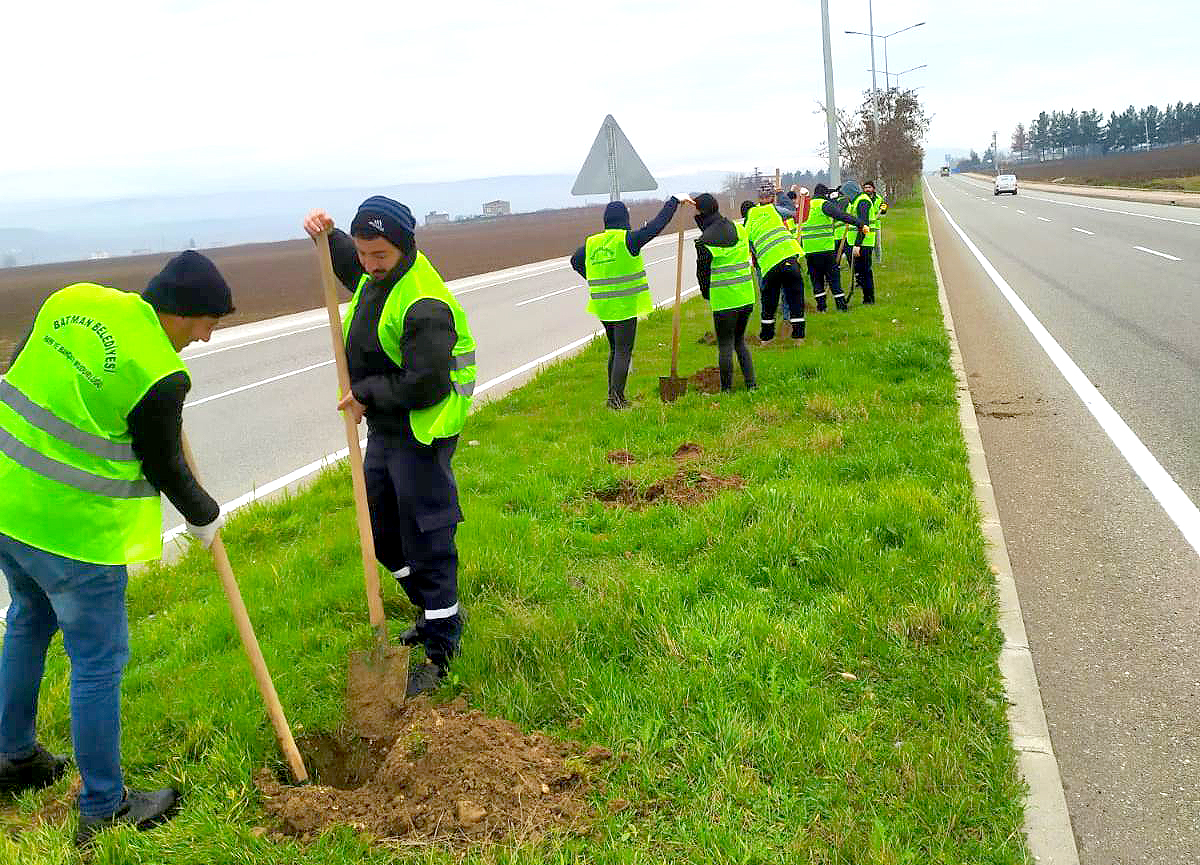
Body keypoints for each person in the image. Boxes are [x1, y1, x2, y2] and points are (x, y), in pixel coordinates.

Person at [0, 251, 233, 846]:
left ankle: (13, 757)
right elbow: (164, 464)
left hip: (7, 502)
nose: (206, 336)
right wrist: (204, 516)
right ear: (179, 314)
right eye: (208, 322)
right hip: (75, 536)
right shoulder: (159, 370)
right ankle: (105, 804)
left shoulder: (71, 299)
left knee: (27, 620)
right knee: (97, 663)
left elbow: (27, 372)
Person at [304, 197, 477, 698]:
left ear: (403, 247)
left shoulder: (424, 303)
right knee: (380, 530)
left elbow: (426, 384)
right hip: (387, 428)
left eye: (378, 255)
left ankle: (443, 646)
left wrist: (365, 393)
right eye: (362, 254)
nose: (368, 264)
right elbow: (351, 269)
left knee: (428, 537)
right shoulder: (375, 276)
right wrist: (328, 236)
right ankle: (430, 609)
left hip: (422, 429)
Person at [570, 196, 685, 409]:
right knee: (623, 350)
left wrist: (594, 280)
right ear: (625, 218)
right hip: (623, 305)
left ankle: (613, 395)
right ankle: (616, 400)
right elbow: (657, 225)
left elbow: (575, 260)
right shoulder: (628, 240)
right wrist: (674, 202)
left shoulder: (592, 243)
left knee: (615, 349)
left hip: (603, 306)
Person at [691, 194, 756, 391]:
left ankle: (726, 390)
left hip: (725, 301)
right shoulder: (739, 229)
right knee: (740, 342)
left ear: (701, 213)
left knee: (725, 345)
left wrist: (706, 293)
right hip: (746, 296)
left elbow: (702, 273)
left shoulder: (705, 241)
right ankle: (751, 385)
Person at [743, 181, 806, 342]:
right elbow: (795, 213)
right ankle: (798, 338)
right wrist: (782, 194)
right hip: (789, 259)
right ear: (772, 197)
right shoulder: (775, 210)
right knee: (795, 299)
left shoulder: (750, 216)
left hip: (769, 266)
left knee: (769, 303)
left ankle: (766, 339)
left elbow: (746, 242)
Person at [801, 183, 868, 312]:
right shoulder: (823, 205)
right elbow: (841, 215)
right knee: (833, 278)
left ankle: (821, 308)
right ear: (825, 195)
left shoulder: (805, 207)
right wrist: (859, 223)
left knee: (816, 280)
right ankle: (841, 306)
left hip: (809, 250)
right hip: (825, 249)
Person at [849, 180, 883, 304]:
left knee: (865, 271)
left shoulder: (863, 201)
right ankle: (867, 298)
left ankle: (869, 299)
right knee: (862, 271)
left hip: (864, 242)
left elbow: (864, 225)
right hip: (863, 241)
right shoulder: (860, 200)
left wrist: (858, 244)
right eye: (865, 187)